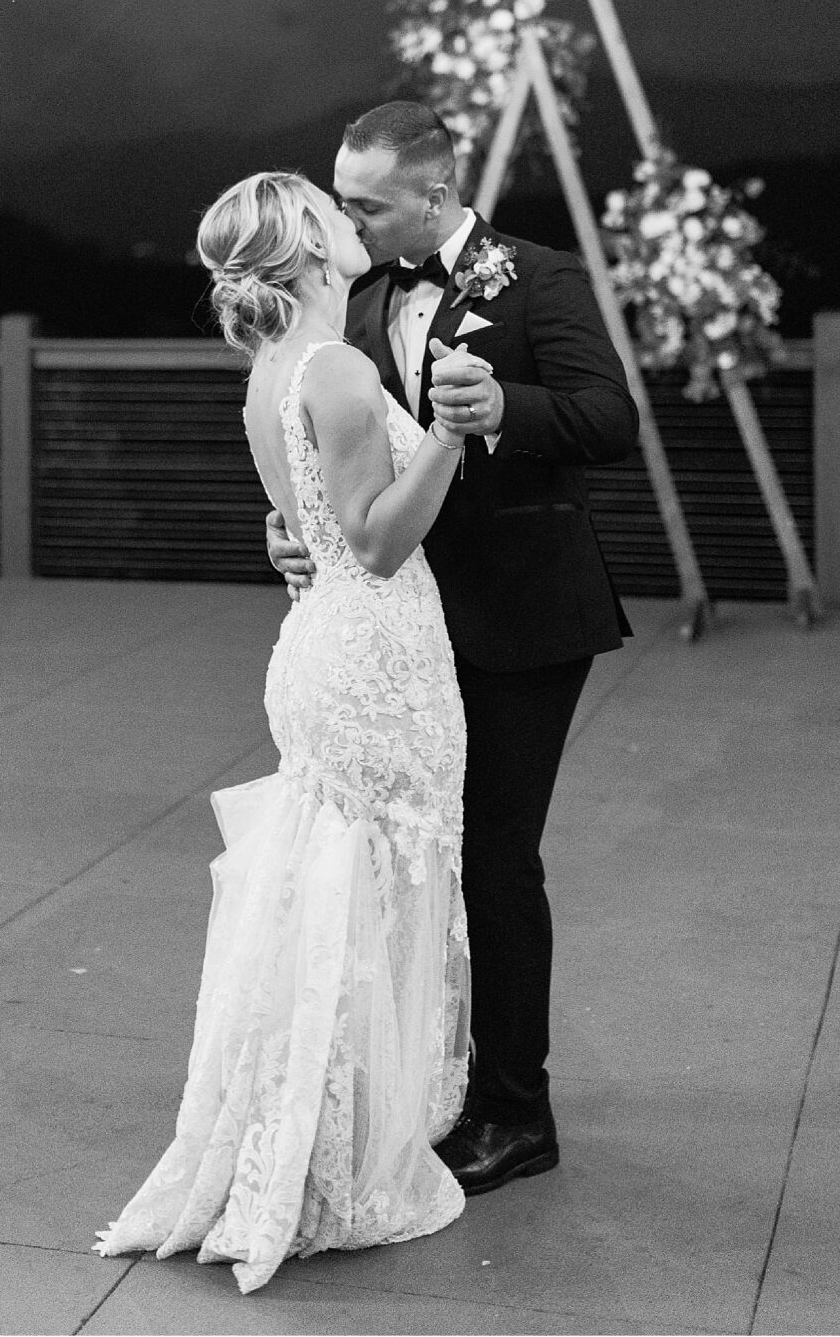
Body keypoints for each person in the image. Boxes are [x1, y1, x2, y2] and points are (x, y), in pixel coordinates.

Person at [95, 171, 474, 1294]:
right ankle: (336, 1160)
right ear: (306, 249)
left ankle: (292, 1136)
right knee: (372, 896)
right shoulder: (342, 364)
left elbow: (302, 519)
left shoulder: (273, 368)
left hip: (318, 645)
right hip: (371, 653)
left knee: (326, 898)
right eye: (332, 213)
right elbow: (375, 540)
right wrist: (450, 435)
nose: (350, 225)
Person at [268, 101, 639, 1196]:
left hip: (526, 612)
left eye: (367, 201)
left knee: (494, 854)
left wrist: (505, 406)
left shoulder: (543, 276)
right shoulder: (365, 292)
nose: (346, 215)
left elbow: (609, 418)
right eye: (341, 196)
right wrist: (302, 527)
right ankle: (437, 1076)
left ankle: (518, 1111)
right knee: (418, 854)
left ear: (435, 193)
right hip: (408, 622)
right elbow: (341, 453)